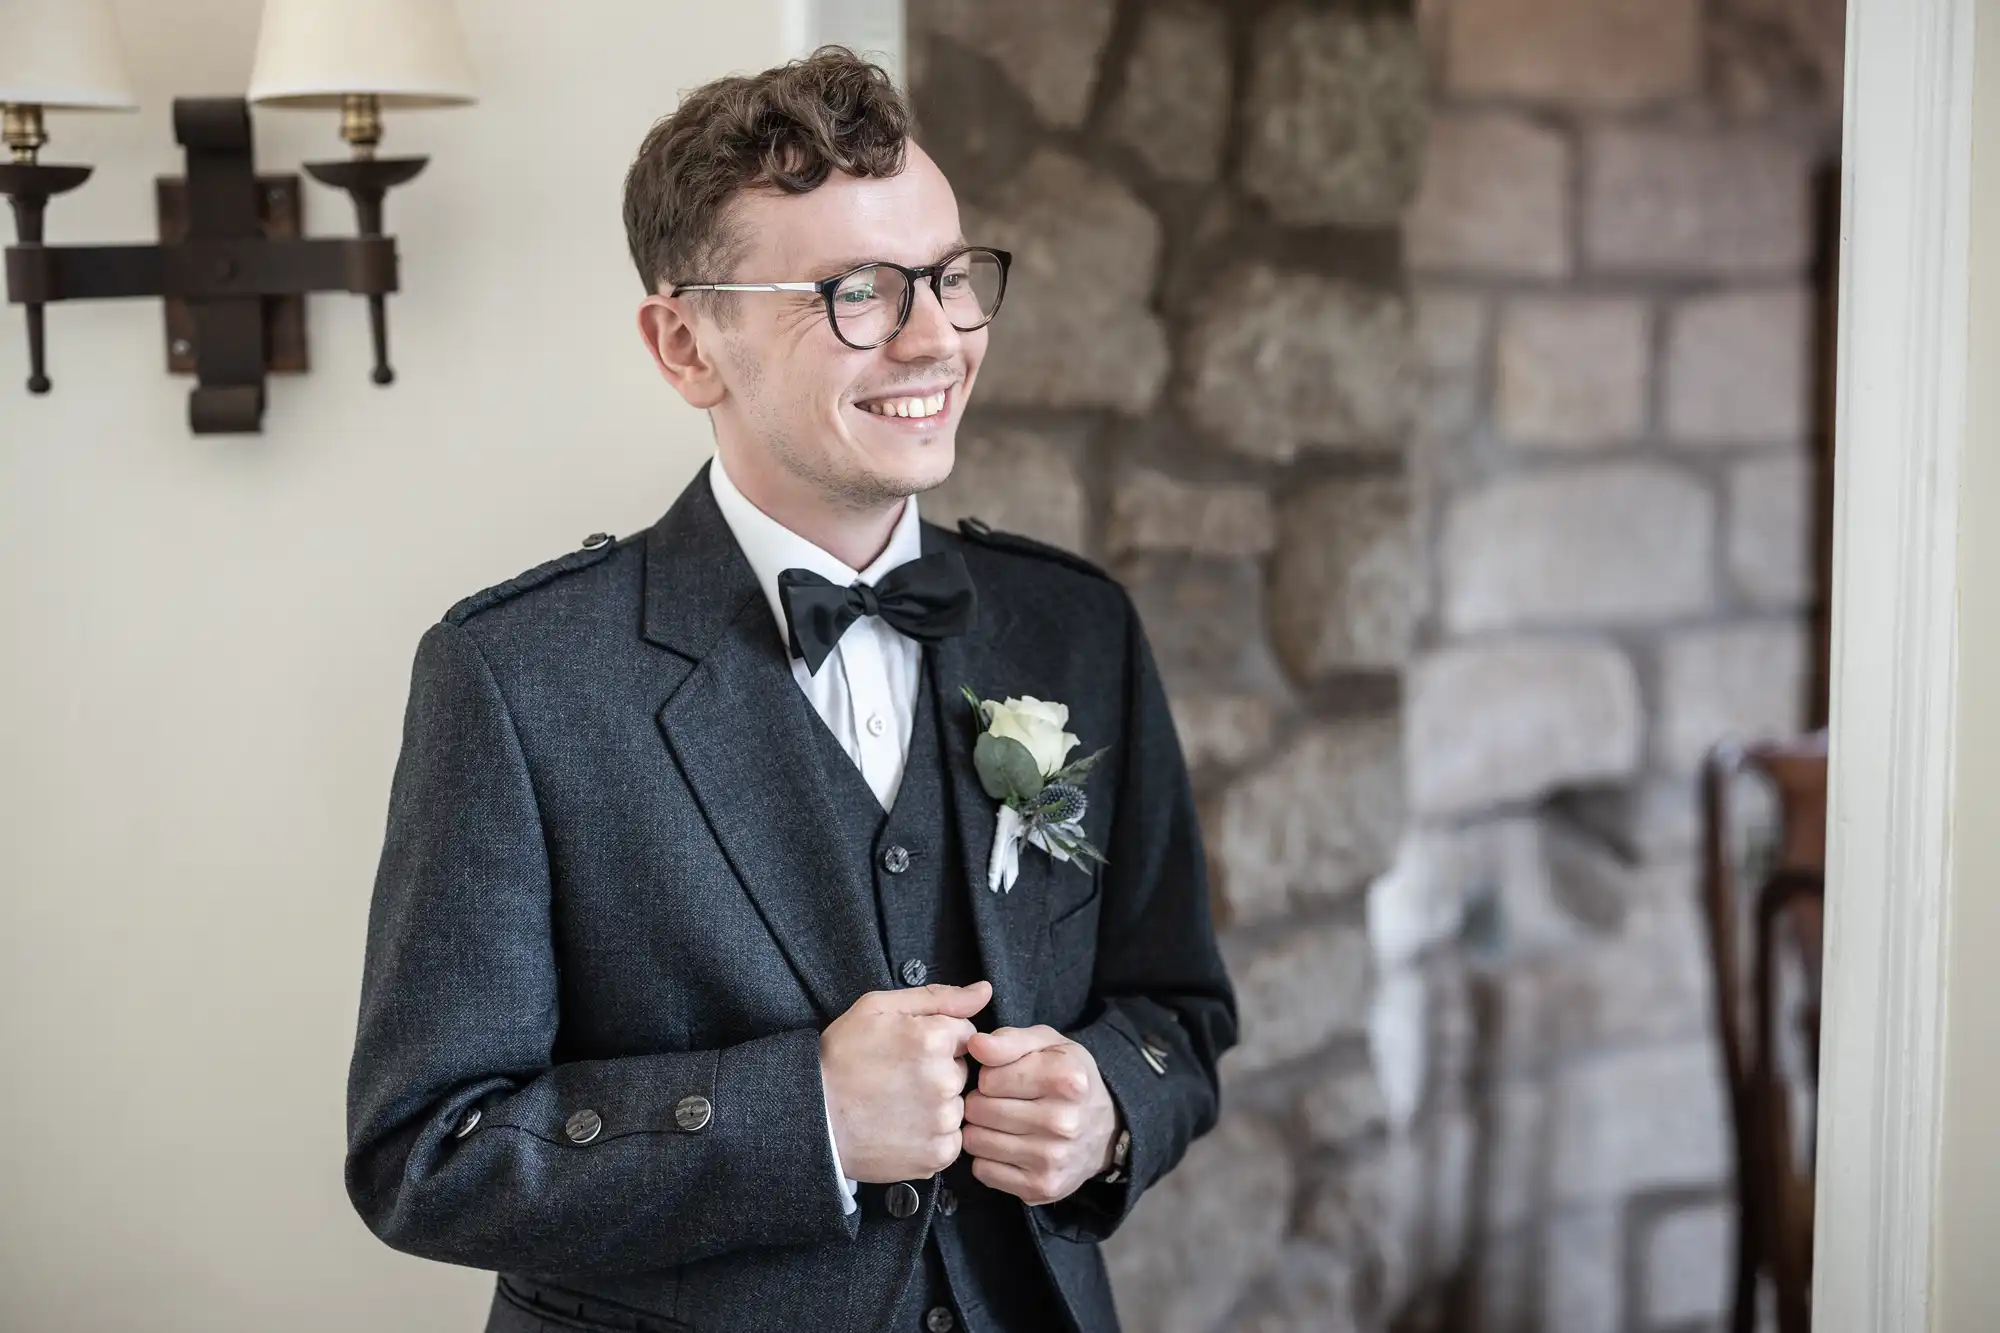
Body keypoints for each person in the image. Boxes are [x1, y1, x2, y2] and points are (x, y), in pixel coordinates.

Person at [344, 47, 1236, 1333]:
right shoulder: (515, 677)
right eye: (854, 293)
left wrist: (1105, 1105)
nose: (935, 335)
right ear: (684, 342)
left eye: (947, 276)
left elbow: (1181, 1011)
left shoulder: (1073, 625)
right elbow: (425, 1150)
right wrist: (802, 1115)